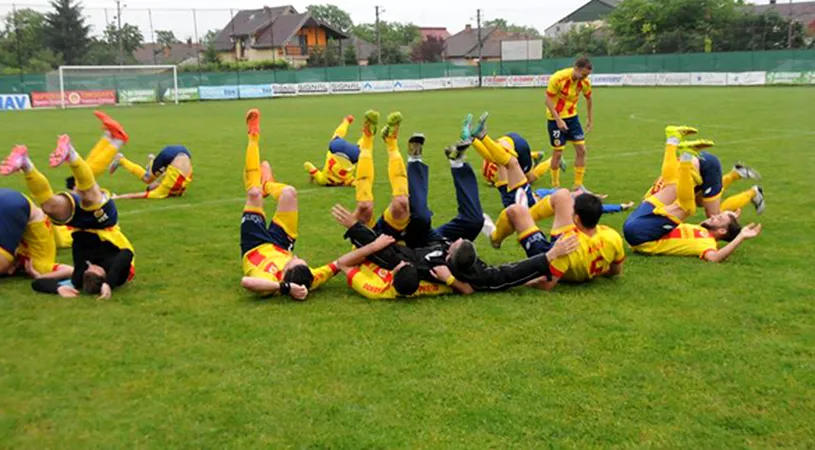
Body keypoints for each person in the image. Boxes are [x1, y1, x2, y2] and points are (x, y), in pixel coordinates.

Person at [1, 134, 135, 299]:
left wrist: (57, 288)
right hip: (106, 226)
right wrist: (109, 283)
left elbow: (38, 284)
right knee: (89, 196)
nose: (90, 265)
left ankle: (26, 165)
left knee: (49, 206)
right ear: (104, 275)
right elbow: (126, 254)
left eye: (87, 271)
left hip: (80, 226)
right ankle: (71, 154)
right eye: (95, 270)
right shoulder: (118, 273)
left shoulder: (80, 276)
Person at [239, 108, 340, 300]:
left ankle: (253, 135)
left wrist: (285, 287)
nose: (295, 257)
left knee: (253, 193)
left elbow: (247, 282)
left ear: (285, 273)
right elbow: (340, 263)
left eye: (293, 261)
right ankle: (267, 185)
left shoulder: (269, 282)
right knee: (289, 192)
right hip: (281, 243)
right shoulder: (310, 276)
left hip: (255, 246)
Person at [623, 126, 762, 262]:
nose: (714, 217)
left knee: (675, 190)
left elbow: (714, 257)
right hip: (640, 230)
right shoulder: (701, 232)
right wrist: (732, 223)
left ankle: (675, 142)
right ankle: (686, 158)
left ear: (721, 231)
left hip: (641, 228)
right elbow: (714, 220)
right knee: (687, 206)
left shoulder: (706, 243)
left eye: (719, 219)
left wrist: (740, 236)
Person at [484, 191, 625, 289]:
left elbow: (547, 283)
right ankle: (527, 213)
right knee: (562, 195)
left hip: (552, 253)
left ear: (576, 218)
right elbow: (615, 271)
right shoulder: (612, 236)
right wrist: (593, 271)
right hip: (576, 238)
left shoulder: (568, 247)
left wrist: (526, 282)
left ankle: (495, 238)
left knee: (515, 211)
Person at [644, 137, 765, 216]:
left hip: (704, 167)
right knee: (700, 201)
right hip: (691, 163)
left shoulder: (661, 209)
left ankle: (754, 193)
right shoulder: (649, 200)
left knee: (714, 216)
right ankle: (736, 174)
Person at [0, 187, 72, 280]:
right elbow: (70, 270)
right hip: (15, 203)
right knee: (3, 262)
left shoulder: (31, 261)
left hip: (15, 201)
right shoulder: (37, 263)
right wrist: (40, 276)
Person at [545, 57, 593, 189]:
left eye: (587, 75)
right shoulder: (558, 78)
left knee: (581, 150)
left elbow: (589, 98)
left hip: (572, 118)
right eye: (583, 74)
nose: (585, 78)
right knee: (558, 153)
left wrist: (589, 119)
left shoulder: (584, 82)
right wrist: (558, 120)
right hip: (555, 119)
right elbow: (547, 100)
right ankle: (555, 186)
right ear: (576, 69)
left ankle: (578, 185)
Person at [303, 111, 379, 187]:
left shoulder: (346, 181)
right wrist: (313, 173)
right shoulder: (323, 180)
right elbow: (307, 165)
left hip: (351, 156)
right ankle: (347, 121)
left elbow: (358, 183)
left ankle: (368, 135)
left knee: (362, 149)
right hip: (337, 149)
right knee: (337, 135)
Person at [109, 145, 193, 200]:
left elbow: (136, 195)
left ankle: (151, 162)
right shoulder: (161, 192)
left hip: (184, 152)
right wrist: (117, 197)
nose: (152, 185)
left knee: (153, 175)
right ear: (156, 188)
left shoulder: (178, 189)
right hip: (171, 156)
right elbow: (135, 195)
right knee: (147, 179)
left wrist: (118, 197)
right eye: (151, 187)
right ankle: (121, 160)